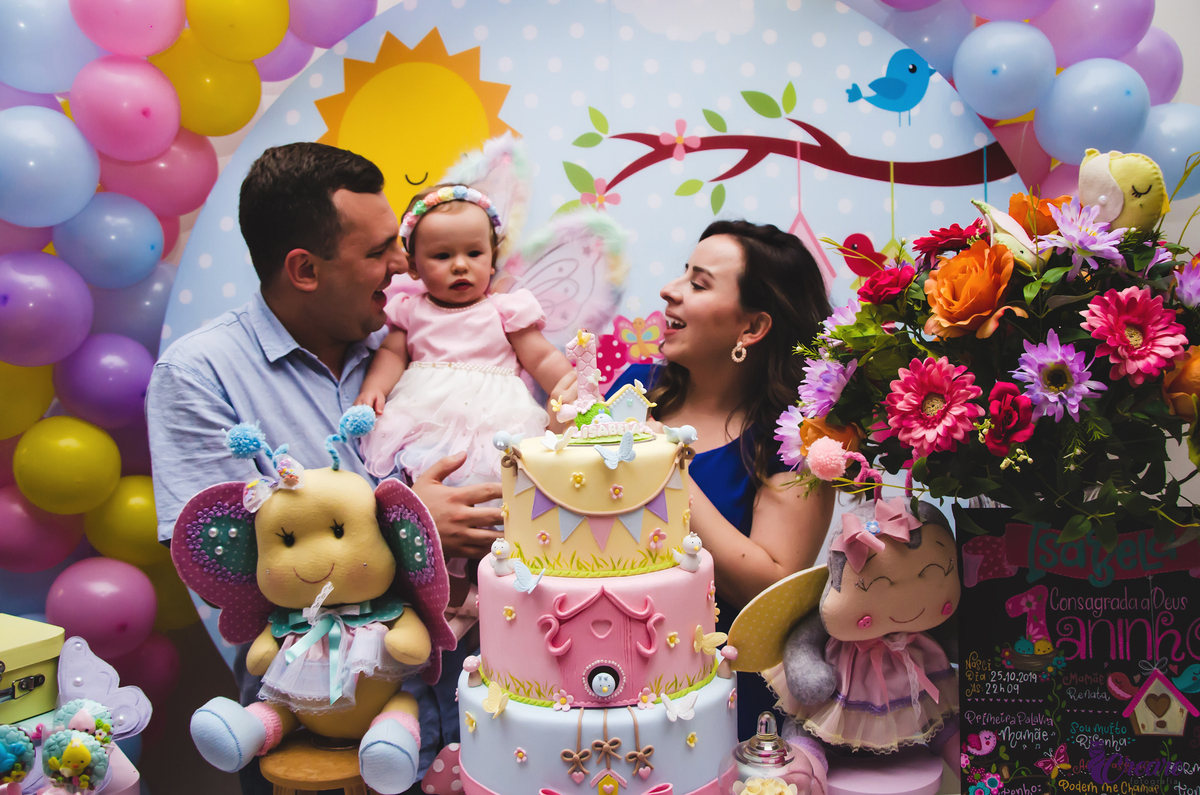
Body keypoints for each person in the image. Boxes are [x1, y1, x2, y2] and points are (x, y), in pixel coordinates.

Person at [146, 143, 503, 793]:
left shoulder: (413, 346)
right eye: (376, 252)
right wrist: (406, 524)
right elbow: (218, 554)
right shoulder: (201, 373)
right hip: (315, 725)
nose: (403, 264)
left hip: (468, 702)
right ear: (305, 269)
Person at [603, 220, 836, 740]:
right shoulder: (633, 390)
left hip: (720, 695)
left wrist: (662, 463)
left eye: (698, 282)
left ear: (751, 329)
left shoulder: (794, 436)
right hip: (605, 675)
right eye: (683, 273)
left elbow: (771, 584)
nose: (669, 289)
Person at [356, 183, 572, 491]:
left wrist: (572, 388)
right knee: (419, 468)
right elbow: (391, 355)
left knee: (497, 478)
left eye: (474, 253)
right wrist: (374, 388)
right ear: (414, 266)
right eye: (442, 255)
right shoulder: (410, 311)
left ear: (492, 258)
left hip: (493, 418)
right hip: (426, 415)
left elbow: (542, 357)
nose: (460, 265)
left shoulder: (504, 310)